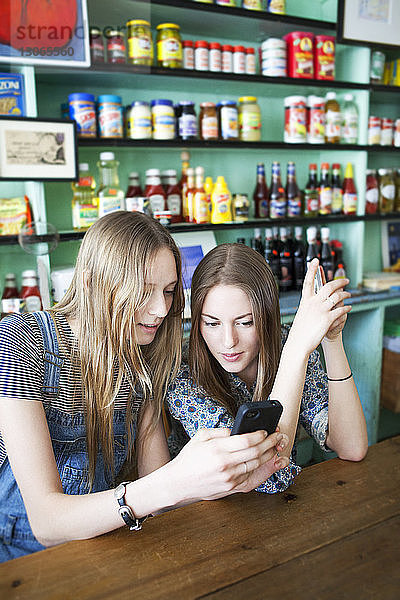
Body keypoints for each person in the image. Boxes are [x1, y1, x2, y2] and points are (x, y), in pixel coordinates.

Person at [0, 213, 287, 562]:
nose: (160, 310)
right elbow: (47, 523)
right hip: (24, 559)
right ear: (91, 283)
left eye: (168, 292)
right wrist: (175, 481)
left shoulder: (146, 353)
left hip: (107, 548)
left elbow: (160, 491)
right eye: (142, 292)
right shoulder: (22, 342)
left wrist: (221, 478)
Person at [166, 243, 368, 492]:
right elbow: (262, 475)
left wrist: (331, 338)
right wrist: (296, 350)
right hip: (199, 516)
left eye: (245, 322)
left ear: (266, 316)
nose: (229, 341)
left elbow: (352, 446)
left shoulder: (287, 342)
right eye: (212, 324)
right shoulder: (182, 370)